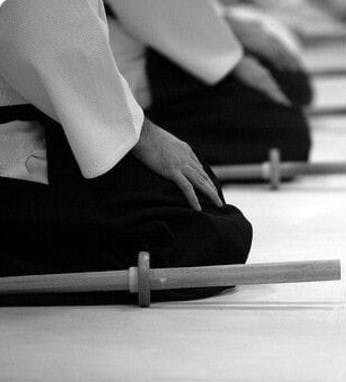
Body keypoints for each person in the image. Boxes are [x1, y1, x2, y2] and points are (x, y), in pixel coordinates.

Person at [0, 0, 252, 304]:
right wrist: (142, 132)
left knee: (206, 211)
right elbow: (36, 28)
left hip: (69, 92)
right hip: (31, 119)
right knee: (200, 236)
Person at [105, 0, 313, 166]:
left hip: (156, 39)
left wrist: (225, 30)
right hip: (123, 66)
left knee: (288, 81)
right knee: (285, 132)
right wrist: (231, 57)